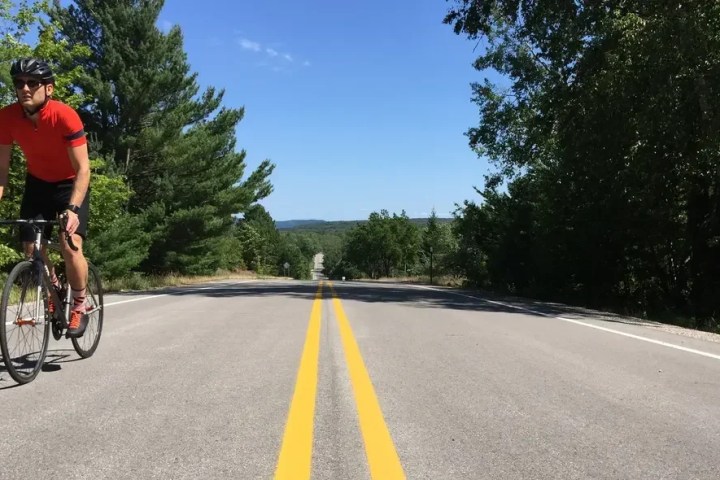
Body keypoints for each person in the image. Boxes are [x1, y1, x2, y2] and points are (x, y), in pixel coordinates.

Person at [0, 58, 91, 338]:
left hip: (69, 184)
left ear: (48, 88)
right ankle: (53, 290)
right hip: (37, 184)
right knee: (31, 249)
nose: (24, 88)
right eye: (19, 83)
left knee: (69, 244)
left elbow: (83, 169)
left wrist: (73, 210)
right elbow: (1, 169)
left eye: (32, 82)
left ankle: (79, 303)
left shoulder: (65, 116)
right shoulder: (6, 117)